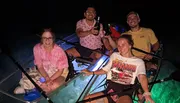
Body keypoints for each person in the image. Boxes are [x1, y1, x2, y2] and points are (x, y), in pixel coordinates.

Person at [81, 35, 154, 103]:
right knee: (87, 100)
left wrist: (146, 92)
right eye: (118, 45)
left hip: (125, 91)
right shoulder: (114, 55)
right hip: (110, 89)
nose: (120, 47)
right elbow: (105, 69)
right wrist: (91, 72)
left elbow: (142, 77)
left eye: (123, 45)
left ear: (130, 45)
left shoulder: (139, 62)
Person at [14, 28, 69, 94]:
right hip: (43, 72)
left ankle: (37, 89)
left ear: (53, 39)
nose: (47, 40)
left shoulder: (59, 51)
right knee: (28, 81)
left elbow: (60, 71)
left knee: (54, 86)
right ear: (41, 39)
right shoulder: (37, 48)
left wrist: (49, 80)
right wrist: (46, 78)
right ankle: (30, 88)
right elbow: (40, 67)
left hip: (58, 74)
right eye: (44, 38)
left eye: (49, 38)